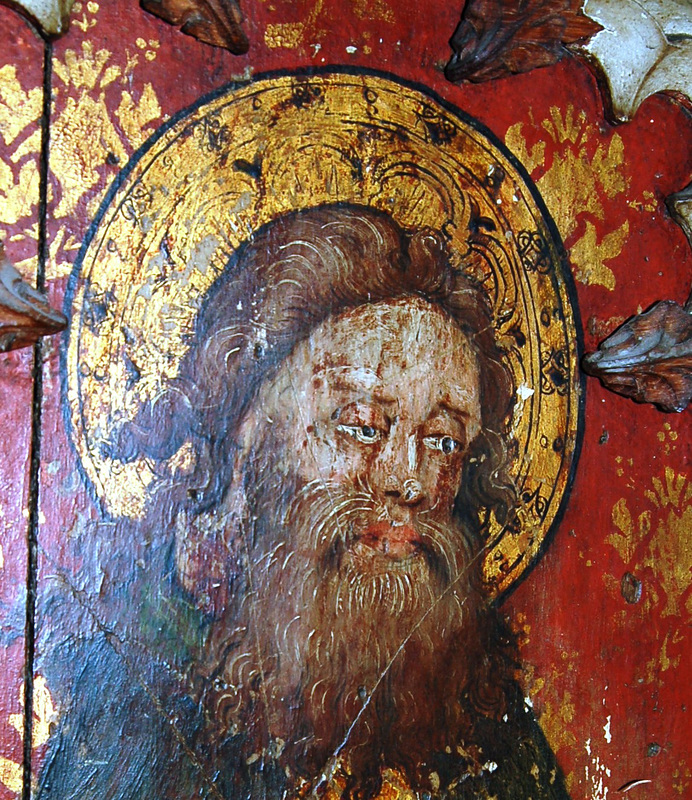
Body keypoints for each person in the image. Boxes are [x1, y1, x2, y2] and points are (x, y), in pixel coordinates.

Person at [38, 204, 570, 799]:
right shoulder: (139, 702)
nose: (409, 480)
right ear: (251, 443)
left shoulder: (488, 720)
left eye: (444, 441)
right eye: (363, 426)